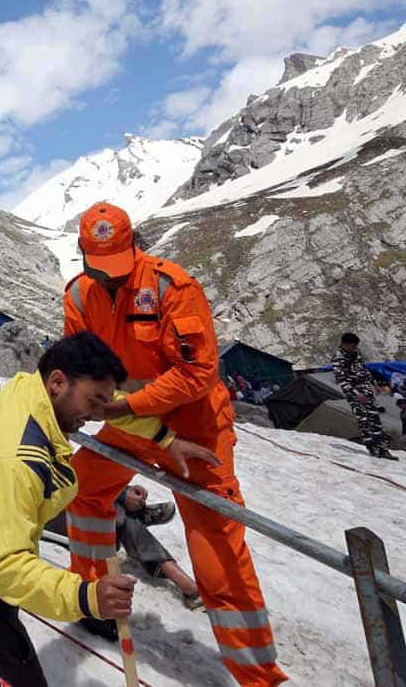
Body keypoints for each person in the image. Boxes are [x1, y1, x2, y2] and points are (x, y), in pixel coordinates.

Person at [0, 332, 215, 687]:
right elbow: (5, 566)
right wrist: (86, 597)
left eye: (103, 400)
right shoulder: (15, 461)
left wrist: (163, 438)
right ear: (57, 381)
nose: (99, 413)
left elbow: (111, 404)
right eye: (93, 401)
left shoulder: (31, 390)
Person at [62, 203, 286, 686]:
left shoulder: (171, 286)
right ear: (82, 256)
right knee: (83, 489)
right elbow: (77, 361)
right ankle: (94, 600)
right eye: (100, 269)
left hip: (194, 430)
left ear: (135, 245)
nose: (111, 280)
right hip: (133, 423)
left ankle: (258, 676)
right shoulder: (79, 296)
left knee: (216, 547)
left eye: (118, 268)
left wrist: (125, 407)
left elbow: (198, 372)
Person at [48, 485, 202, 609]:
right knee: (107, 506)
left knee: (109, 504)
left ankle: (135, 515)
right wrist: (121, 494)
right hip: (56, 517)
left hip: (69, 507)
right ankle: (138, 515)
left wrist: (123, 490)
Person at [333, 333, 397, 461]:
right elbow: (343, 381)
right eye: (352, 346)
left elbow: (363, 369)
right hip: (355, 393)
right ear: (345, 344)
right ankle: (373, 449)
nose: (355, 348)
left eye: (356, 346)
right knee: (364, 421)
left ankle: (383, 449)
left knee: (375, 420)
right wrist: (357, 394)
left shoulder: (357, 352)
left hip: (366, 389)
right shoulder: (338, 359)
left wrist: (374, 384)